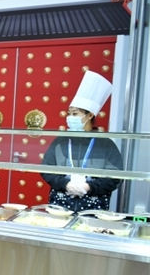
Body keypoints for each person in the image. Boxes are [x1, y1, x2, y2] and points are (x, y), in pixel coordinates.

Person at [41, 70, 123, 212]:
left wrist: (89, 187)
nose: (70, 117)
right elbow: (46, 170)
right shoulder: (60, 141)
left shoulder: (105, 144)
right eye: (69, 113)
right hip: (59, 208)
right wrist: (65, 184)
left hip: (94, 210)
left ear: (90, 115)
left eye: (75, 113)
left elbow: (115, 177)